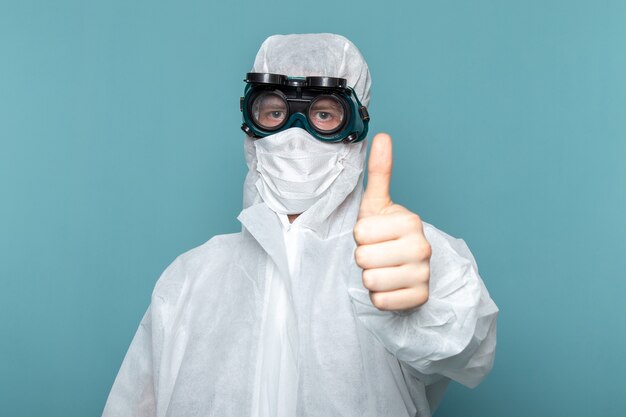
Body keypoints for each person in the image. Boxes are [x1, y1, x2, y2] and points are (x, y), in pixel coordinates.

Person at [102, 33, 498, 417]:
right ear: (251, 125)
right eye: (274, 112)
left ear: (355, 129)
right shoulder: (189, 280)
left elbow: (470, 350)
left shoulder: (396, 255)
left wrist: (423, 300)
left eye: (323, 114)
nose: (294, 133)